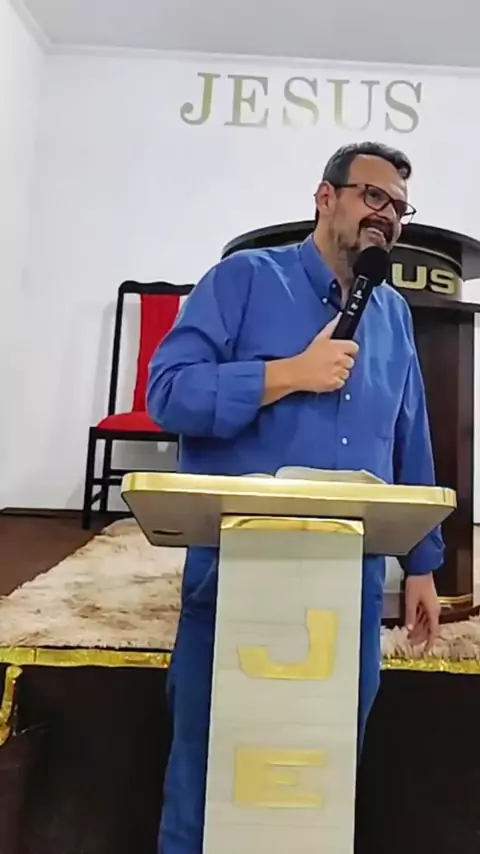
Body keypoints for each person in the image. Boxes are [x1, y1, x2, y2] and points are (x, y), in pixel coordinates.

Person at [147, 140, 444, 854]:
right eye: (374, 196)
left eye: (400, 208)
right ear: (325, 197)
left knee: (320, 779)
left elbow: (409, 435)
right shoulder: (243, 280)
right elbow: (168, 393)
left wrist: (423, 565)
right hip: (238, 574)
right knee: (210, 779)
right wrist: (287, 374)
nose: (387, 215)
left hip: (347, 585)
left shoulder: (393, 314)